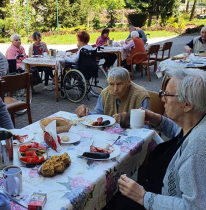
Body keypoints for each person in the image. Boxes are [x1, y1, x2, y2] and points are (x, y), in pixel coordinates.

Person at [117, 68, 206, 210]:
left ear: (188, 104)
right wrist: (157, 119)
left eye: (167, 94)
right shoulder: (196, 120)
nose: (162, 99)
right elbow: (181, 132)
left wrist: (142, 196)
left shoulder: (197, 149)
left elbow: (194, 207)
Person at [75, 67, 150, 121]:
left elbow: (146, 125)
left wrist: (126, 121)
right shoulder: (105, 93)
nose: (115, 89)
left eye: (119, 84)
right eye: (111, 84)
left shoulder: (140, 95)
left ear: (128, 82)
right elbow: (97, 114)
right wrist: (86, 113)